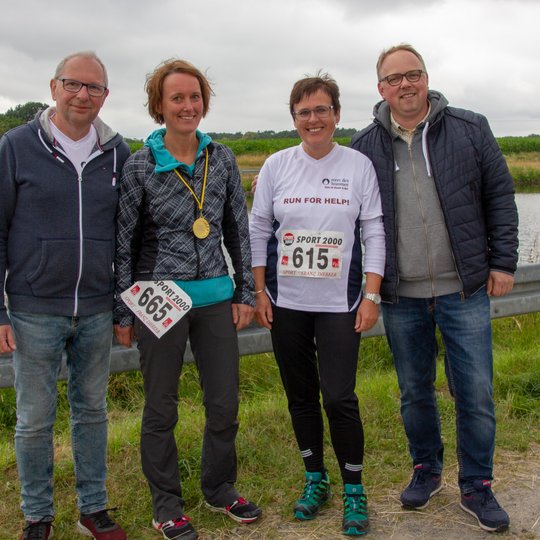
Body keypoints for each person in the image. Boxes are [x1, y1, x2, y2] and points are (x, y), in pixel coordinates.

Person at [351, 43, 518, 533]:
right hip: (402, 297)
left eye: (414, 74)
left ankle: (477, 485)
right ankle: (426, 469)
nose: (406, 84)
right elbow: (358, 223)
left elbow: (500, 196)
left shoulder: (470, 129)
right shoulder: (364, 147)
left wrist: (502, 262)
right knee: (414, 393)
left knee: (477, 393)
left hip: (462, 290)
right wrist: (370, 290)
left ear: (427, 78)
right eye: (394, 78)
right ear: (380, 88)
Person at [113, 58, 261, 540]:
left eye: (194, 97)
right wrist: (123, 309)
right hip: (159, 298)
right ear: (159, 104)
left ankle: (219, 489)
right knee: (161, 407)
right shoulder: (140, 164)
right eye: (177, 97)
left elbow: (237, 228)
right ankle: (167, 505)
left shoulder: (221, 158)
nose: (187, 106)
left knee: (223, 403)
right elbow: (125, 243)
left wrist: (244, 290)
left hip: (217, 297)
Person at [0, 52, 130, 540]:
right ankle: (37, 515)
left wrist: (121, 306)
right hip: (33, 309)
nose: (83, 95)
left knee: (92, 411)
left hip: (96, 308)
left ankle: (92, 507)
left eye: (94, 88)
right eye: (74, 84)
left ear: (105, 96)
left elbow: (128, 237)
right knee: (34, 420)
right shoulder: (15, 147)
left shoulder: (117, 153)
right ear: (53, 87)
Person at [250, 73, 385, 536]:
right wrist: (259, 289)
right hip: (286, 302)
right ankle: (315, 479)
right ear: (294, 119)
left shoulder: (358, 165)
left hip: (340, 302)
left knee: (340, 396)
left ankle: (353, 487)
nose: (314, 119)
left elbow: (373, 231)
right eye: (304, 112)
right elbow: (258, 229)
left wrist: (371, 295)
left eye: (322, 109)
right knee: (301, 397)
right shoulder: (276, 165)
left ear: (337, 115)